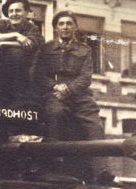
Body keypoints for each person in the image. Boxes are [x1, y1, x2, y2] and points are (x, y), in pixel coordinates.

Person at [34, 10, 104, 141]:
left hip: (80, 96)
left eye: (69, 23)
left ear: (75, 27)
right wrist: (55, 86)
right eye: (61, 24)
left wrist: (69, 89)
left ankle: (99, 160)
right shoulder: (46, 48)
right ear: (56, 28)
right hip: (54, 95)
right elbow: (39, 74)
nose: (65, 27)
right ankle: (56, 158)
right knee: (55, 114)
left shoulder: (85, 49)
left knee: (95, 127)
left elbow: (86, 76)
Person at [0, 0, 44, 100]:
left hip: (21, 76)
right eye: (11, 11)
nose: (14, 14)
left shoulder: (32, 28)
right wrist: (15, 35)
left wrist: (2, 44)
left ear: (26, 12)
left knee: (16, 53)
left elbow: (30, 45)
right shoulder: (0, 23)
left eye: (18, 11)